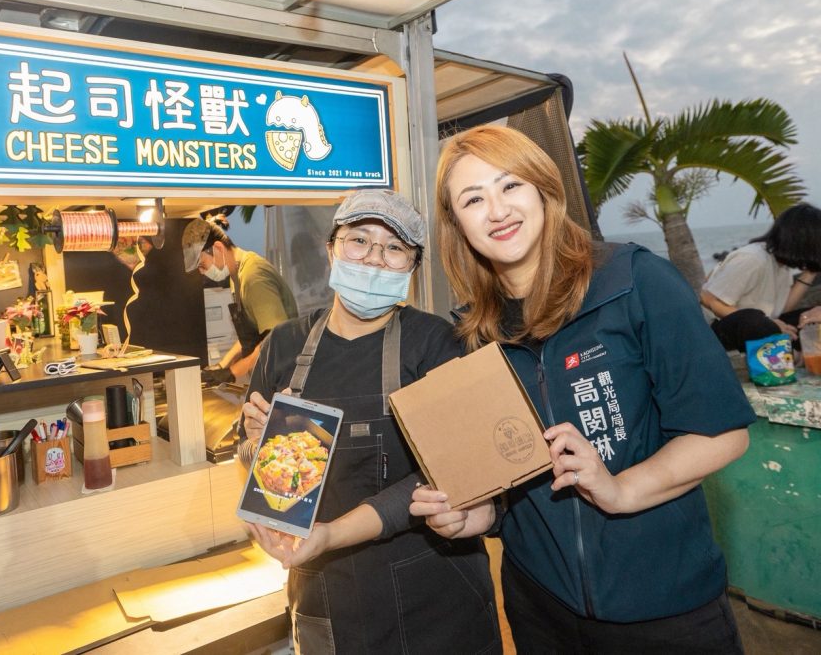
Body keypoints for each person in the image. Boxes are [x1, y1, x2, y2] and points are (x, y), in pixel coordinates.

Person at [412, 125, 753, 653]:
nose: (497, 210)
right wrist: (477, 515)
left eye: (511, 185)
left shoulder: (635, 282)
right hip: (540, 606)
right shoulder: (472, 335)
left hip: (664, 604)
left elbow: (722, 433)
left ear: (544, 189)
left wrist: (622, 490)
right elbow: (506, 474)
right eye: (473, 199)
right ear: (456, 223)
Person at [240, 189, 501, 654]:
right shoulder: (283, 345)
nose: (375, 259)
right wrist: (257, 448)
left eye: (394, 248)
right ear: (331, 250)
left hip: (433, 590)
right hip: (325, 592)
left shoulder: (436, 343)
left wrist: (331, 534)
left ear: (412, 268)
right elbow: (252, 461)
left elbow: (450, 473)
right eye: (359, 240)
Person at [181, 215, 298, 383]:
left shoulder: (253, 276)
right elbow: (251, 338)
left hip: (286, 376)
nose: (201, 272)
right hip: (270, 375)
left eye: (202, 265)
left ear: (218, 248)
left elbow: (275, 339)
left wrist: (232, 372)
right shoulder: (236, 276)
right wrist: (222, 366)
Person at [700, 203, 821, 350]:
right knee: (757, 322)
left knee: (812, 320)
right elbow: (709, 299)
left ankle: (799, 355)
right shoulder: (752, 258)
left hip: (765, 324)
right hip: (721, 330)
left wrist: (812, 270)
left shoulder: (781, 264)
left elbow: (783, 309)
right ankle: (792, 354)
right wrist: (769, 323)